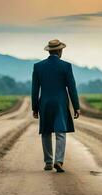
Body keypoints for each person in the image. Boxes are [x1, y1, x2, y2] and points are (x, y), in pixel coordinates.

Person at [31, 39, 80, 173]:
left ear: (49, 50)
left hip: (45, 103)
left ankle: (48, 162)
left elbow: (35, 90)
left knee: (46, 132)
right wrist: (76, 106)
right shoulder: (66, 66)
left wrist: (34, 108)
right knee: (61, 132)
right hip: (60, 103)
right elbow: (72, 88)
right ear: (59, 51)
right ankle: (58, 160)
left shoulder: (38, 66)